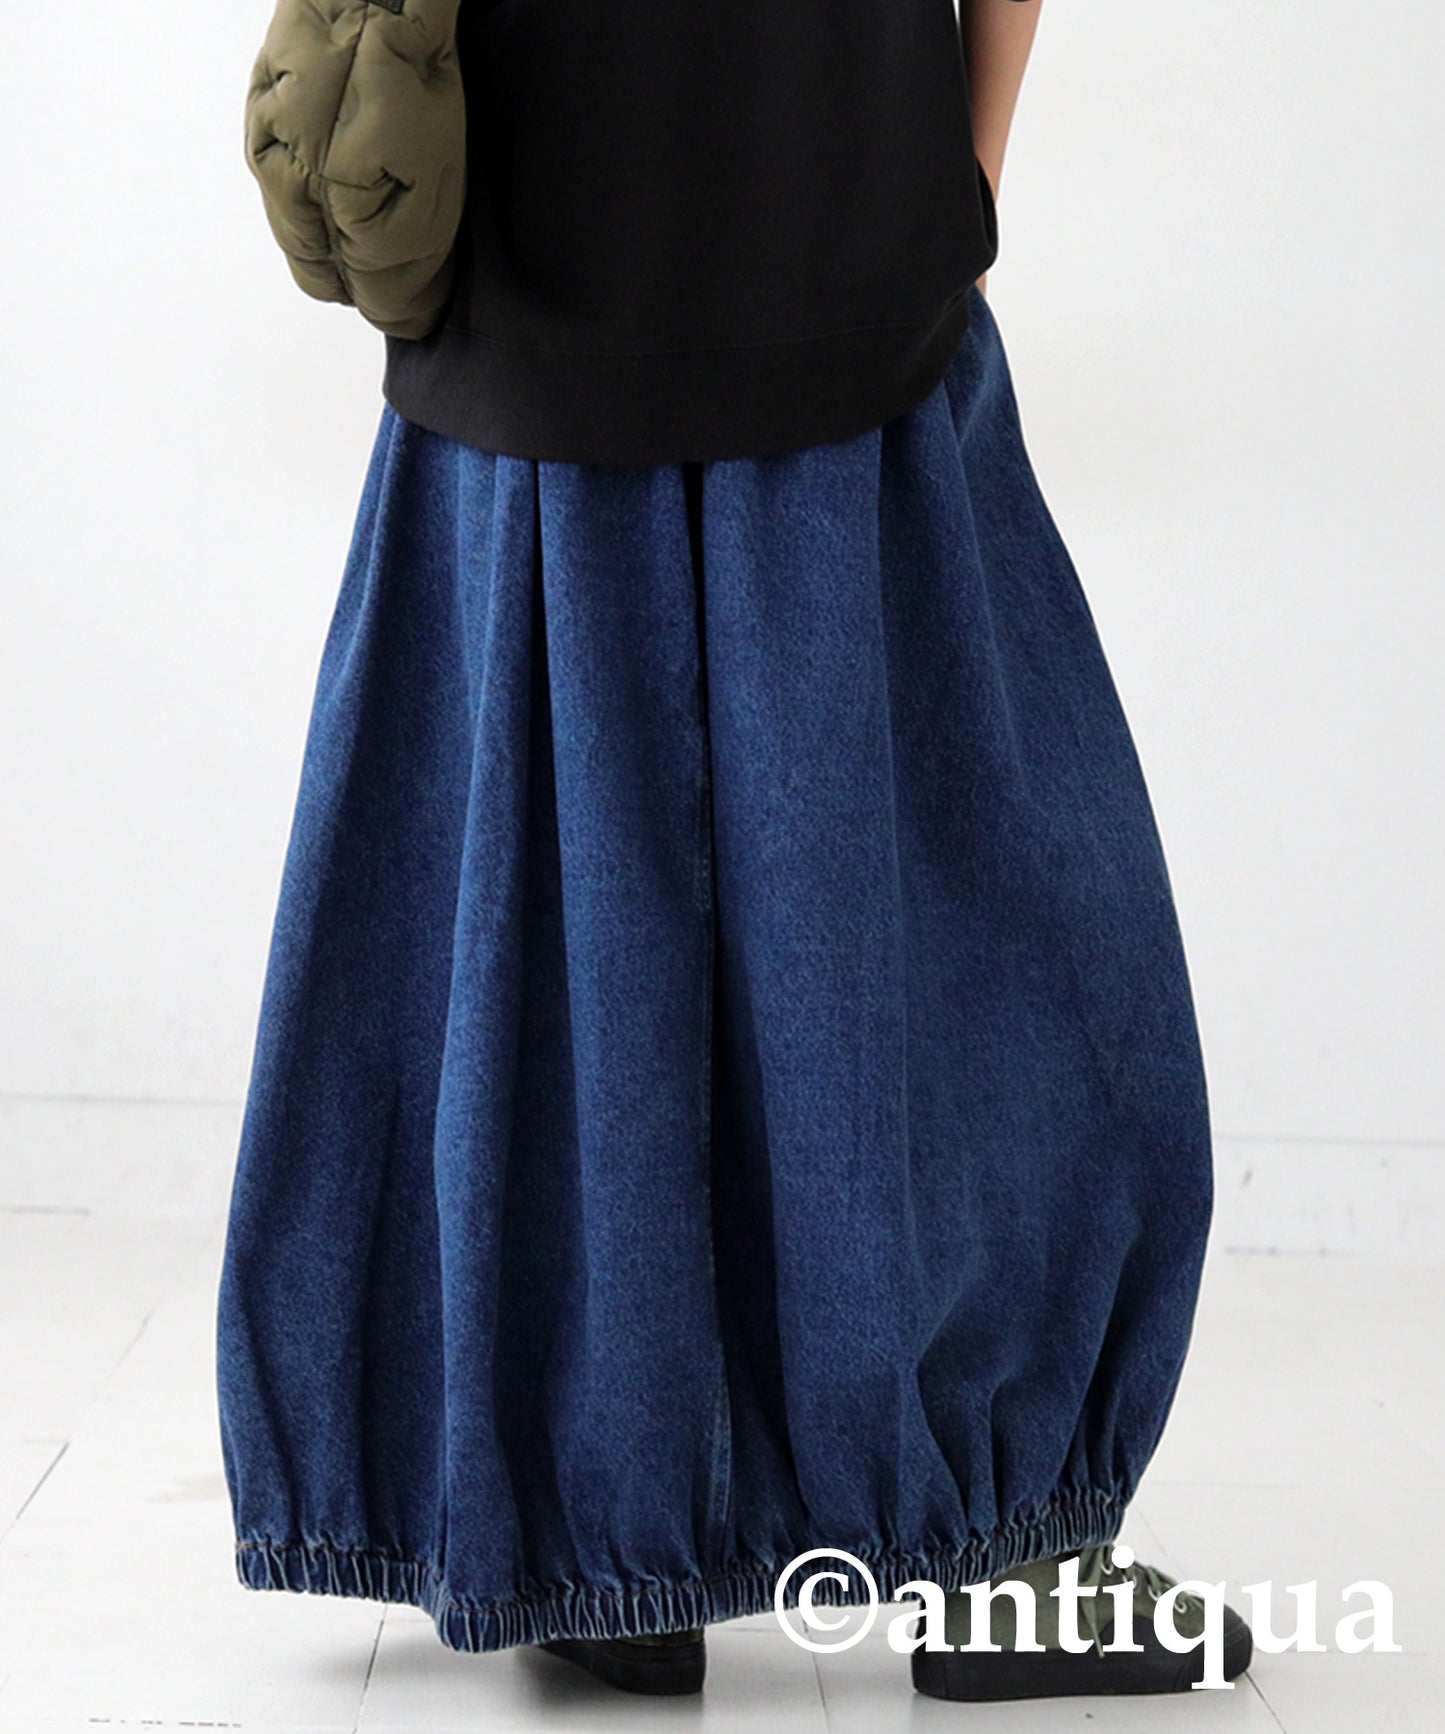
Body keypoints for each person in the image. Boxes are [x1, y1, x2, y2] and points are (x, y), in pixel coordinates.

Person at [217, 0, 1253, 1704]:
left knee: (548, 929)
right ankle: (998, 1550)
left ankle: (596, 1547)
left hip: (545, 259)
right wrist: (964, 167)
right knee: (975, 921)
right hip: (831, 217)